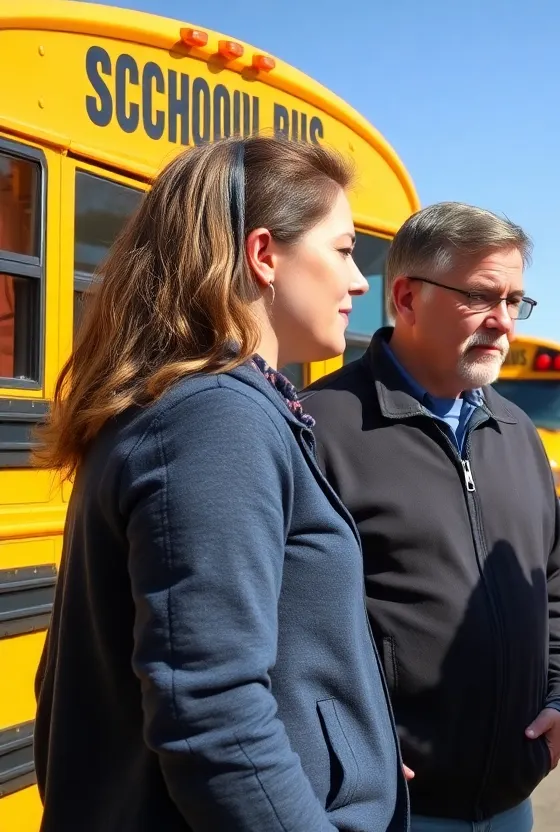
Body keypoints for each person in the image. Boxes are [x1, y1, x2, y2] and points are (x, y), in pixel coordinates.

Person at [31, 136, 408, 831]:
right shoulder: (213, 422)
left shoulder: (203, 408)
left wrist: (355, 755)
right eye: (345, 250)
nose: (361, 283)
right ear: (265, 256)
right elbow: (214, 717)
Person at [300, 201, 560, 831]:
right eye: (482, 297)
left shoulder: (517, 432)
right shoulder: (319, 428)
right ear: (405, 297)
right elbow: (284, 625)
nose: (504, 323)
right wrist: (350, 740)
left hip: (511, 802)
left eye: (516, 301)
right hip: (387, 810)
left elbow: (554, 581)